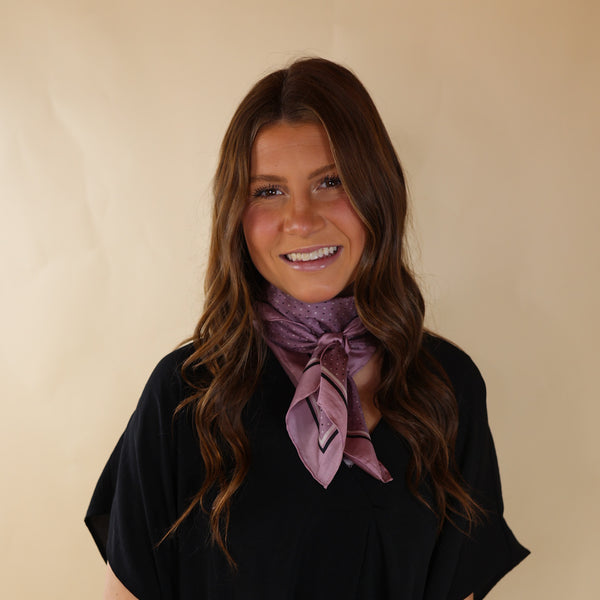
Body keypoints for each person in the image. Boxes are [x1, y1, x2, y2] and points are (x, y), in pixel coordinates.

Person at [86, 57, 529, 600]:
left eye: (331, 181)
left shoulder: (447, 388)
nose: (301, 218)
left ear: (378, 193)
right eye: (268, 191)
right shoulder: (183, 397)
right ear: (236, 215)